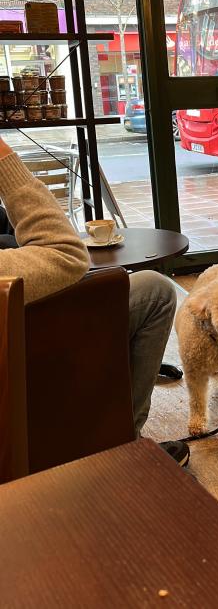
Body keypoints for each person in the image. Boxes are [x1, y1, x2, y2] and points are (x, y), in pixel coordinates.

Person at [0, 137, 189, 466]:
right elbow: (66, 254)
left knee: (115, 286)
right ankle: (123, 442)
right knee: (155, 290)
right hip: (21, 332)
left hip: (28, 303)